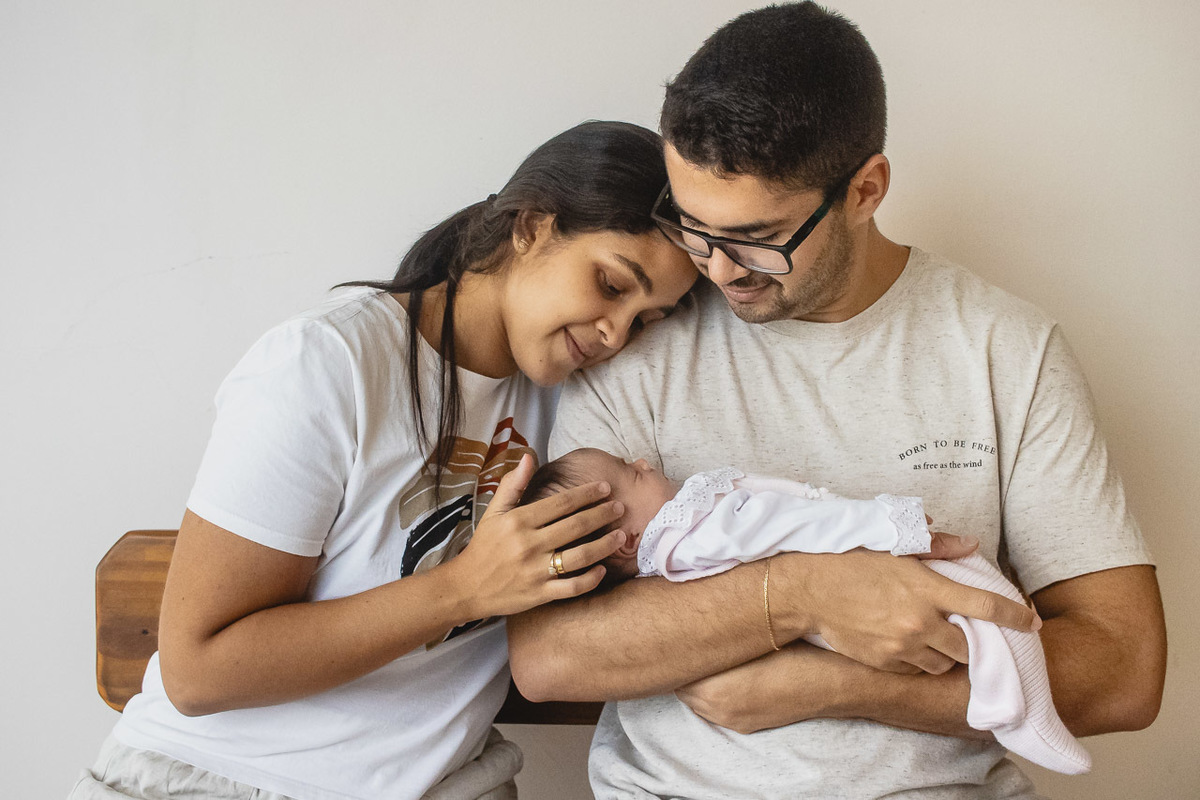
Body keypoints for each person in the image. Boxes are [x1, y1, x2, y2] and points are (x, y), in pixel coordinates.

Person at [507, 5, 1166, 799]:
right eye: (692, 227)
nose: (717, 271)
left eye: (757, 237)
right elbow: (549, 656)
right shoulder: (637, 346)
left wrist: (835, 683)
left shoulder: (1006, 351)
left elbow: (1124, 672)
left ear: (866, 189)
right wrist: (797, 596)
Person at [69, 120, 697, 800]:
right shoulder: (326, 367)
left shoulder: (574, 403)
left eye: (646, 319)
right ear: (531, 227)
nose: (615, 333)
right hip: (215, 778)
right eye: (609, 284)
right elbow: (197, 673)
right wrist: (465, 590)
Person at [521, 447, 1091, 775]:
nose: (644, 460)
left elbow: (1127, 674)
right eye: (631, 471)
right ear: (624, 542)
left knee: (986, 614)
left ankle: (1009, 705)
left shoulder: (683, 534)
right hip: (881, 548)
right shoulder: (690, 533)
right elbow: (791, 524)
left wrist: (821, 683)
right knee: (997, 614)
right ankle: (1021, 711)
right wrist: (886, 524)